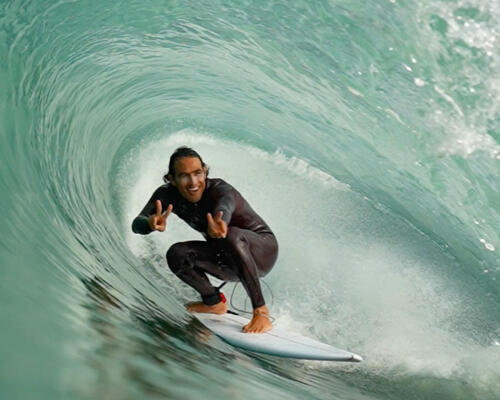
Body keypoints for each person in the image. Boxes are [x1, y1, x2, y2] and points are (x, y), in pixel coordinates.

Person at [132, 146, 278, 333]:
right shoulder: (166, 196)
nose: (193, 182)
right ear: (171, 179)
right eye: (184, 176)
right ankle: (213, 302)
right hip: (227, 260)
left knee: (231, 235)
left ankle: (261, 312)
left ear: (205, 172)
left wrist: (221, 221)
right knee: (178, 254)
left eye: (198, 173)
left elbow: (226, 204)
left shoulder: (220, 190)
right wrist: (149, 224)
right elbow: (137, 224)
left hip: (262, 252)